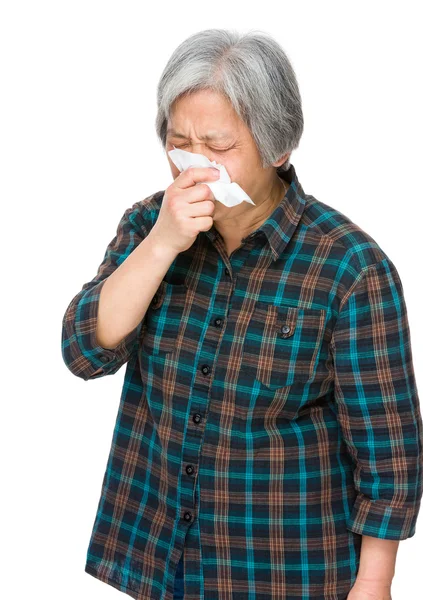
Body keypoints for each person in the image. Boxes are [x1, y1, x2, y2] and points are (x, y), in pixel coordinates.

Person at [61, 28, 423, 600]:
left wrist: (374, 583)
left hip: (286, 569)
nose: (195, 164)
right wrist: (161, 244)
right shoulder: (147, 226)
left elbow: (389, 453)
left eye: (219, 145)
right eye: (179, 141)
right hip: (160, 559)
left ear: (277, 148)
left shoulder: (351, 267)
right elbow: (84, 351)